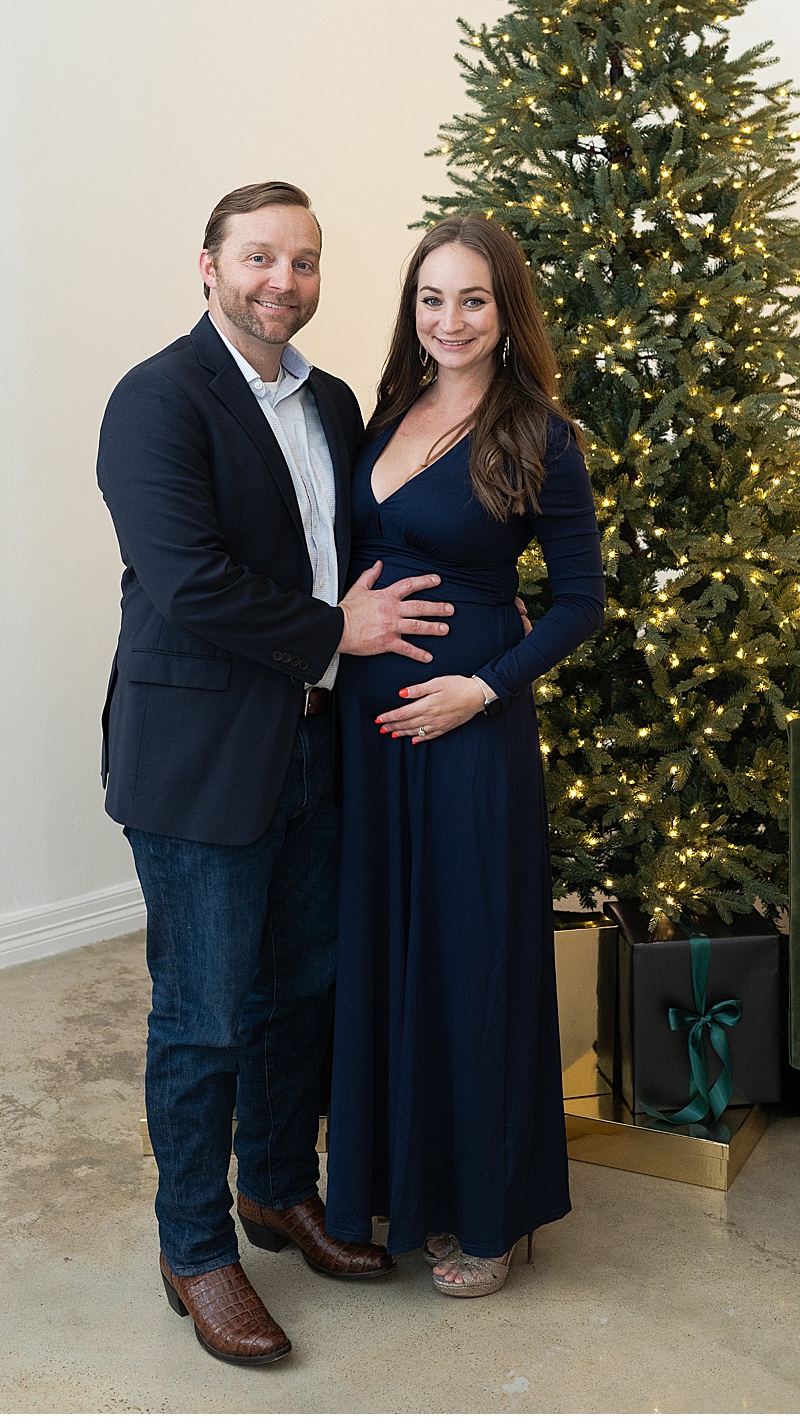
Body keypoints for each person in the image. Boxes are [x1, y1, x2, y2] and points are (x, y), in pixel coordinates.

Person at [96, 181, 458, 1367]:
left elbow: (362, 552)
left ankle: (275, 1190)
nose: (282, 283)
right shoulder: (155, 399)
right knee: (202, 1017)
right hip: (202, 756)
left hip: (320, 742)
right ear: (209, 265)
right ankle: (195, 1247)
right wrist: (329, 634)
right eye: (260, 258)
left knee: (301, 983)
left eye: (303, 262)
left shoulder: (335, 398)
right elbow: (190, 579)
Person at [323, 214, 605, 1296]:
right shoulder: (384, 412)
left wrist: (482, 688)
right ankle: (401, 1184)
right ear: (413, 307)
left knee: (471, 954)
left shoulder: (542, 434)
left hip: (469, 724)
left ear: (506, 310)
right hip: (370, 723)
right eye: (432, 298)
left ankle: (489, 1212)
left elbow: (581, 600)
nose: (450, 319)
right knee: (385, 950)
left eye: (473, 299)